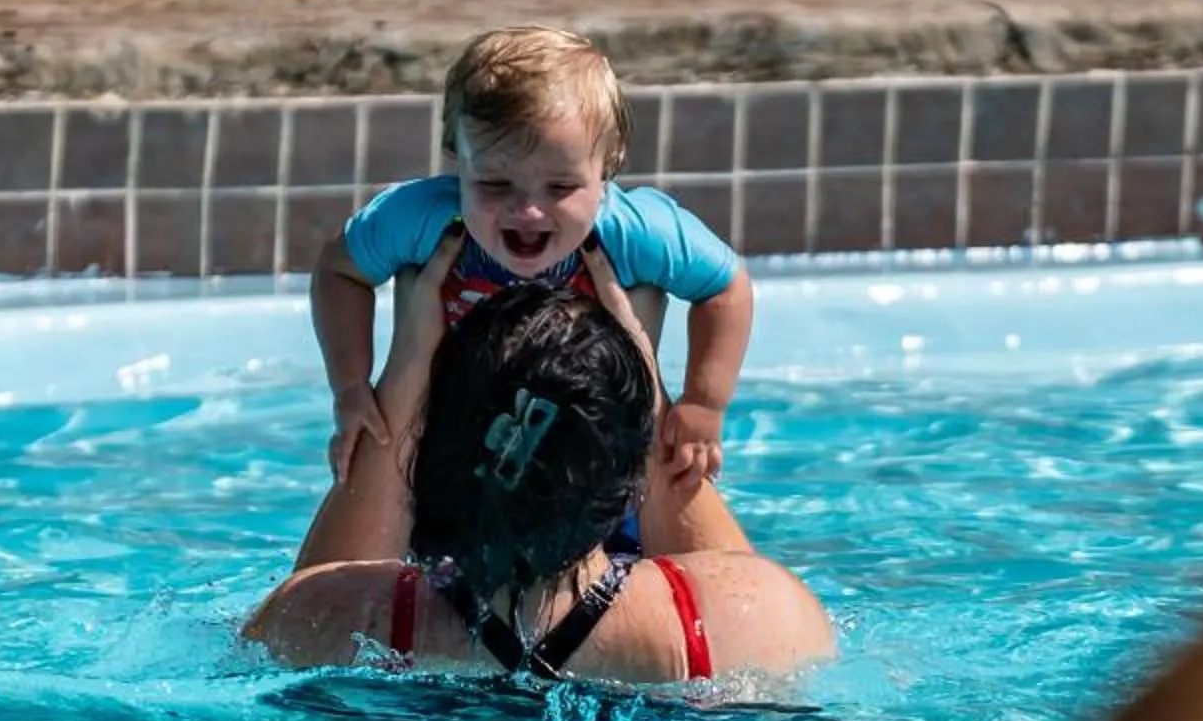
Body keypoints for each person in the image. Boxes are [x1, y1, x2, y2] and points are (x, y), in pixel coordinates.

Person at [249, 238, 832, 687]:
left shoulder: (327, 619)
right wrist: (646, 385)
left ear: (427, 452)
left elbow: (314, 590)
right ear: (630, 477)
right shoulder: (760, 618)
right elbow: (729, 572)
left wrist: (407, 365)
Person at [309, 26, 755, 497]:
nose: (527, 211)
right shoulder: (423, 219)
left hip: (593, 454)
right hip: (458, 444)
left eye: (560, 188)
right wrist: (351, 387)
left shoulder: (632, 232)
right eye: (495, 185)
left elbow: (725, 287)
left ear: (607, 165)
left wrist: (704, 403)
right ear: (456, 157)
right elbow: (339, 272)